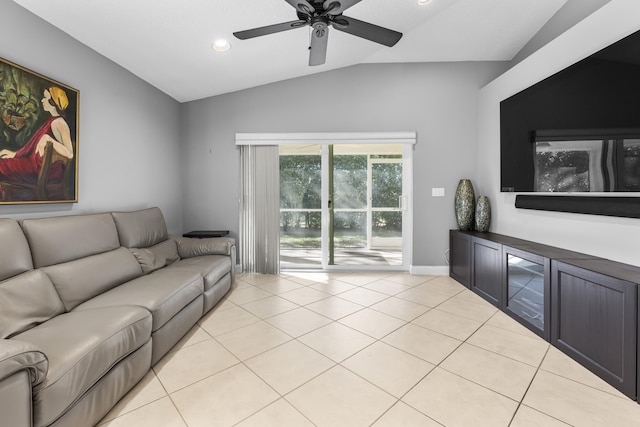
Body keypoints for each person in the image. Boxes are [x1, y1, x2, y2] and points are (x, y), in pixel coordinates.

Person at [0, 86, 74, 200]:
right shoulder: (50, 121)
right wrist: (14, 154)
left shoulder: (60, 123)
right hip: (34, 165)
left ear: (53, 102)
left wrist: (49, 139)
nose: (42, 100)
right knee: (3, 161)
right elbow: (31, 147)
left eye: (45, 98)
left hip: (42, 171)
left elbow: (70, 154)